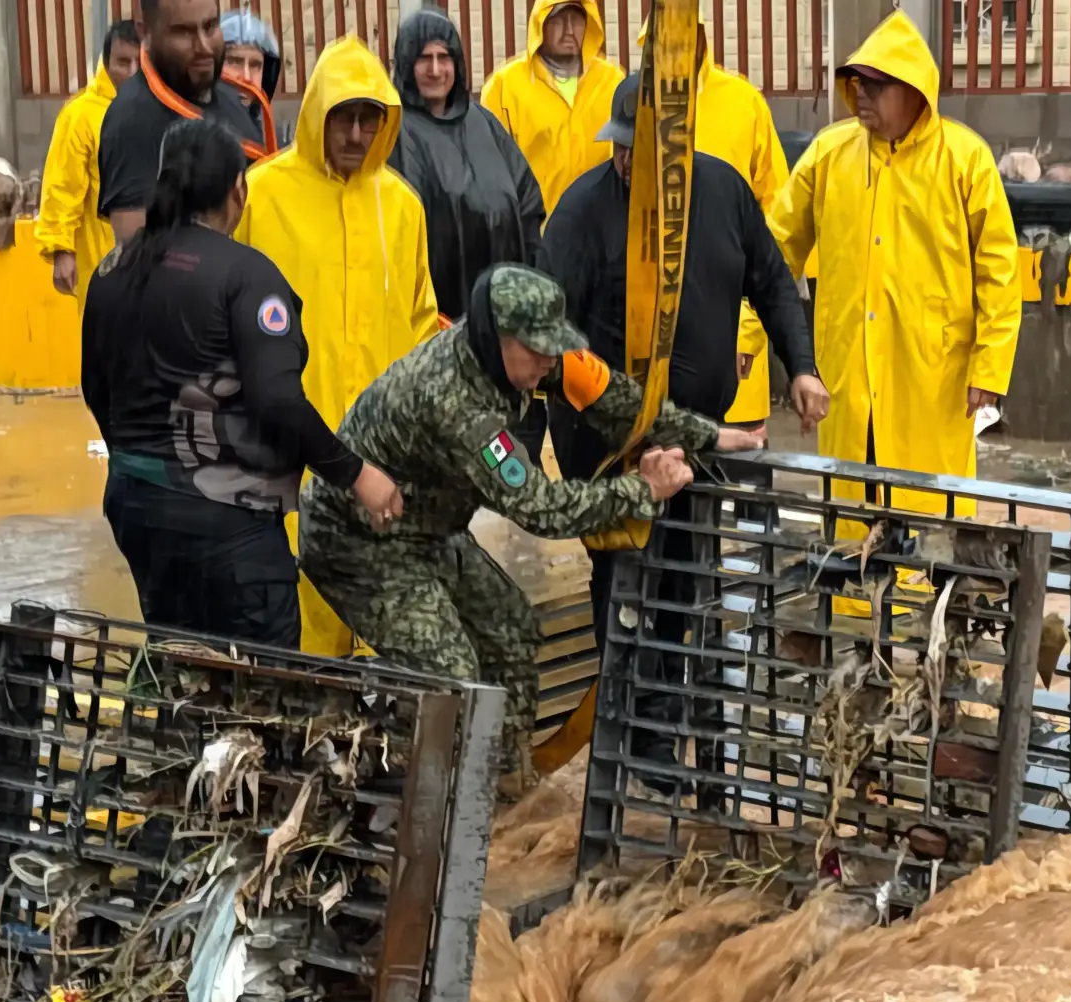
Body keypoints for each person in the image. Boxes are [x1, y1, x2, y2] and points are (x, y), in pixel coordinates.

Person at [299, 264, 763, 799]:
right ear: (497, 341)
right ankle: (430, 810)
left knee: (511, 628)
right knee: (452, 675)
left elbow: (616, 400)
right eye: (537, 349)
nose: (549, 360)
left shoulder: (529, 363)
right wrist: (643, 492)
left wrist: (707, 436)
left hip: (424, 528)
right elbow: (539, 508)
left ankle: (501, 785)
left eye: (553, 348)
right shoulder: (456, 402)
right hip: (356, 542)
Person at [81, 118, 399, 647]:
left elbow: (95, 386)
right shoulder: (245, 275)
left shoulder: (113, 268)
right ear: (238, 189)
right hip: (228, 523)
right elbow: (276, 398)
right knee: (262, 686)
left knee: (181, 669)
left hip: (136, 509)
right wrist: (356, 474)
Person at [541, 72, 828, 643]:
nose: (626, 162)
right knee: (625, 587)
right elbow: (548, 332)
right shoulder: (582, 213)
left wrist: (800, 364)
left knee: (689, 579)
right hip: (611, 444)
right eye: (619, 148)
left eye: (638, 150)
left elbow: (771, 279)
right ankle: (626, 712)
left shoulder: (724, 193)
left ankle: (684, 700)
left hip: (697, 435)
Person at [235, 33, 439, 657]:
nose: (355, 133)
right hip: (289, 454)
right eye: (342, 117)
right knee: (304, 630)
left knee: (387, 626)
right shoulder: (261, 194)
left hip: (383, 461)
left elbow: (422, 321)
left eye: (368, 119)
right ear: (318, 114)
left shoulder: (401, 207)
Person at [769, 11, 1019, 518]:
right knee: (851, 505)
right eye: (857, 83)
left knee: (929, 508)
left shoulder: (964, 160)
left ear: (913, 91)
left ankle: (932, 596)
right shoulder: (828, 155)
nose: (861, 94)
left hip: (932, 378)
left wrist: (990, 366)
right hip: (847, 369)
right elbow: (773, 255)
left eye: (876, 86)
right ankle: (852, 597)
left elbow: (999, 271)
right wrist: (749, 335)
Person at [390, 8, 546, 449]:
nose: (436, 69)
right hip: (438, 319)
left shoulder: (484, 123)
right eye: (424, 58)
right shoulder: (395, 130)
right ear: (405, 63)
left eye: (445, 57)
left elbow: (527, 201)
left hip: (504, 321)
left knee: (513, 441)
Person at [633, 17, 792, 432]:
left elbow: (775, 227)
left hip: (732, 318)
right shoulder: (637, 102)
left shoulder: (742, 102)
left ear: (702, 36)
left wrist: (748, 329)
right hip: (655, 332)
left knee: (740, 466)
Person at [98, 0, 279, 244]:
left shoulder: (229, 93)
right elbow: (136, 258)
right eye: (183, 32)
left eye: (210, 26)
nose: (203, 46)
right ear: (144, 32)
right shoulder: (132, 119)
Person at [478, 0, 622, 214]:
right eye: (558, 20)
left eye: (576, 20)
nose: (569, 30)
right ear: (541, 24)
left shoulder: (612, 81)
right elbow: (490, 172)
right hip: (537, 232)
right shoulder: (504, 88)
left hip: (601, 229)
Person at [34, 21, 142, 305]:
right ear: (105, 64)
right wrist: (61, 250)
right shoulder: (80, 116)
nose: (132, 72)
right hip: (101, 262)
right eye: (122, 62)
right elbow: (63, 185)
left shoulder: (161, 109)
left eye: (139, 62)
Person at [219, 10, 294, 147]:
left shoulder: (274, 141)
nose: (246, 77)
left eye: (255, 65)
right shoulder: (186, 130)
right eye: (234, 61)